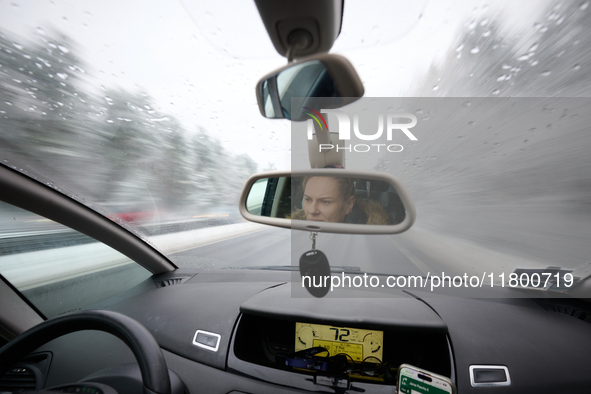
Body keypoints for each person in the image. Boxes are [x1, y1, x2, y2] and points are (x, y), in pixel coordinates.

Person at [290, 176, 390, 224]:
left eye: (325, 202)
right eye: (308, 199)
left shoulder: (373, 242)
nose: (312, 211)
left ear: (348, 205)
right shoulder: (290, 237)